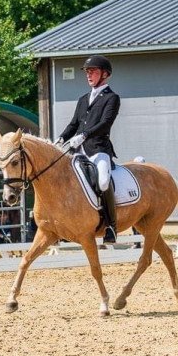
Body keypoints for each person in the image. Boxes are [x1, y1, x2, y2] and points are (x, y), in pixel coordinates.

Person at [56, 55, 121, 243]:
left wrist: (84, 136)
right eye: (87, 72)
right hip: (78, 152)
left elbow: (105, 123)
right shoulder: (83, 99)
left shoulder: (111, 98)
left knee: (102, 182)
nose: (89, 75)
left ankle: (111, 226)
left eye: (93, 71)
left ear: (105, 74)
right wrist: (61, 138)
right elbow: (74, 124)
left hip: (99, 150)